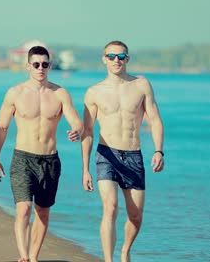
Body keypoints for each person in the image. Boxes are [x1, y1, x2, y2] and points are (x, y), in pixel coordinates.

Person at [0, 46, 83, 262]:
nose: (40, 68)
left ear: (50, 66)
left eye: (45, 64)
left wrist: (77, 131)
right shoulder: (15, 93)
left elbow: (76, 120)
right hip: (23, 158)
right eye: (36, 64)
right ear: (28, 66)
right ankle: (23, 255)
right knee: (23, 209)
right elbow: (2, 127)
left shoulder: (60, 93)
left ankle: (33, 257)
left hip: (50, 160)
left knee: (43, 212)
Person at [80, 40, 164, 262]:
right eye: (111, 56)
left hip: (133, 155)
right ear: (104, 59)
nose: (116, 60)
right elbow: (87, 131)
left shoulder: (141, 85)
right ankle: (108, 260)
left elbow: (154, 120)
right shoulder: (94, 92)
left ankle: (125, 250)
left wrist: (158, 151)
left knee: (135, 216)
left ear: (127, 58)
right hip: (106, 154)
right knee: (110, 207)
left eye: (120, 56)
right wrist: (85, 169)